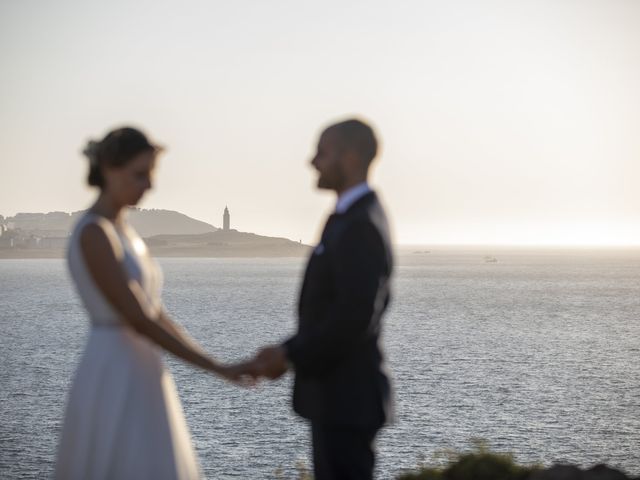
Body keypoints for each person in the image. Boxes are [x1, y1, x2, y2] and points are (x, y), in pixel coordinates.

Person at [55, 126, 236, 480]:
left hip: (144, 368)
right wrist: (214, 367)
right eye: (140, 174)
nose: (149, 185)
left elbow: (154, 313)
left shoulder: (125, 232)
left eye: (151, 175)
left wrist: (215, 362)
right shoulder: (94, 232)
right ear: (108, 168)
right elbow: (138, 318)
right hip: (114, 367)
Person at [248, 118, 394, 480]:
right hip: (339, 398)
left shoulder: (359, 224)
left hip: (347, 399)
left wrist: (290, 354)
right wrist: (288, 350)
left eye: (322, 152)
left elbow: (354, 316)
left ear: (352, 156)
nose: (312, 162)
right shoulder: (350, 217)